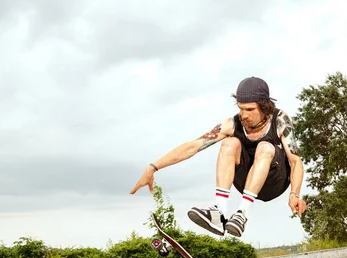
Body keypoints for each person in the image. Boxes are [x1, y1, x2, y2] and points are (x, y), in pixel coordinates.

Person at [130, 76, 307, 237]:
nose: (244, 115)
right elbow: (193, 146)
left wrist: (294, 194)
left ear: (264, 106)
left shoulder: (280, 120)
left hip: (274, 181)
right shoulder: (232, 124)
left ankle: (242, 214)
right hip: (247, 180)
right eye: (240, 109)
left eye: (250, 109)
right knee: (230, 143)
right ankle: (219, 213)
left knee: (265, 147)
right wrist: (153, 167)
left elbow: (295, 161)